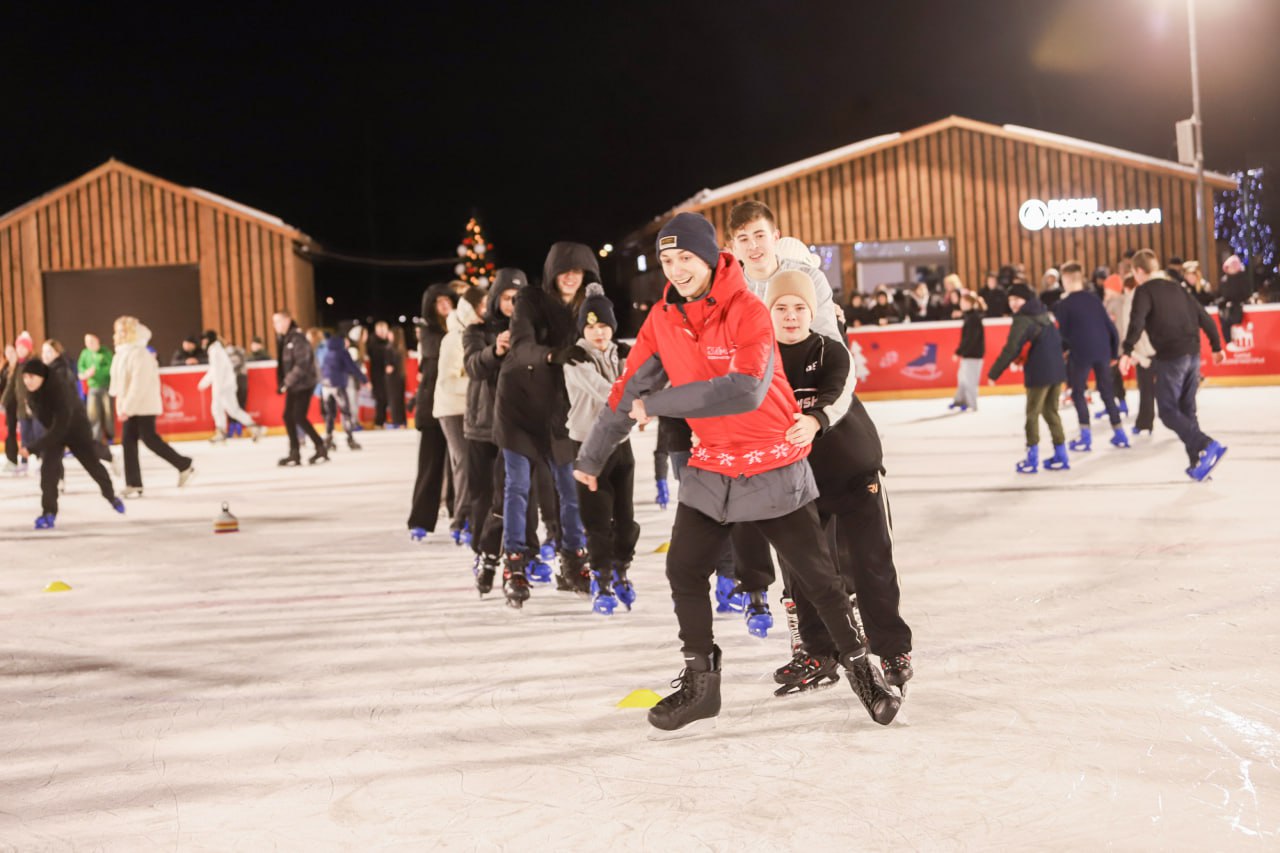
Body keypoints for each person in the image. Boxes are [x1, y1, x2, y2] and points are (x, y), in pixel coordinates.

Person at [575, 212, 897, 733]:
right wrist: (592, 456)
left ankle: (863, 673)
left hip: (771, 462)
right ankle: (702, 682)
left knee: (819, 579)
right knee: (683, 570)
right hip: (714, 463)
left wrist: (660, 404)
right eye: (667, 260)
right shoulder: (663, 319)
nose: (677, 269)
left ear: (708, 257)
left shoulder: (748, 308)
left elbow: (746, 388)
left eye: (686, 257)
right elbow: (628, 389)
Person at [764, 270, 914, 693]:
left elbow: (834, 393)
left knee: (872, 563)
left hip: (853, 472)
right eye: (781, 308)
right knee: (806, 572)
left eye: (799, 308)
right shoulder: (759, 359)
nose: (790, 316)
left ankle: (892, 649)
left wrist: (814, 419)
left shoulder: (831, 350)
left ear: (811, 311)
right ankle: (819, 651)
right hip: (798, 480)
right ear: (768, 312)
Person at [493, 242, 596, 605]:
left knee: (570, 488)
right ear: (552, 272)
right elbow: (521, 346)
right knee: (518, 486)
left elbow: (600, 340)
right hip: (519, 408)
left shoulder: (587, 306)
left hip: (559, 411)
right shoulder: (530, 300)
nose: (570, 277)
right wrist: (553, 354)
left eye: (577, 271)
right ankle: (515, 564)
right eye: (564, 270)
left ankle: (573, 560)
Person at [564, 282, 639, 615]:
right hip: (587, 445)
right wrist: (640, 403)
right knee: (597, 519)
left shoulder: (621, 353)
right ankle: (602, 578)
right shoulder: (575, 358)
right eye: (591, 326)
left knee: (625, 519)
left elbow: (641, 380)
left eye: (604, 325)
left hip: (620, 445)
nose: (598, 333)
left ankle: (621, 566)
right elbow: (607, 392)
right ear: (583, 329)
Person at [463, 269, 539, 593]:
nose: (513, 304)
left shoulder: (532, 330)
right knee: (486, 497)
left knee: (521, 492)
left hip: (519, 426)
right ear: (496, 299)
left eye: (519, 299)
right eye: (508, 298)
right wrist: (495, 350)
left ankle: (525, 553)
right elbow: (472, 366)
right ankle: (485, 554)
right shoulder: (477, 331)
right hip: (484, 427)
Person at [1121, 249, 1227, 480]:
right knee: (1187, 410)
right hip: (1193, 355)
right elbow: (1204, 316)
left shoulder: (1144, 290)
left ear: (1138, 271)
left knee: (1168, 411)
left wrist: (1127, 350)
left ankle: (1206, 444)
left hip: (1171, 357)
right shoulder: (1178, 288)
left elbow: (1137, 321)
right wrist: (1217, 346)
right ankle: (1198, 462)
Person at [19, 361, 124, 529]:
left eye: (31, 377)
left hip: (76, 431)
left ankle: (111, 496)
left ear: (41, 376)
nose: (27, 381)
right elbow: (48, 425)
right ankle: (49, 512)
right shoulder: (32, 395)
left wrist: (33, 447)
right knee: (48, 472)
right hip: (55, 432)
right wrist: (41, 445)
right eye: (25, 377)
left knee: (92, 466)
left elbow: (61, 425)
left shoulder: (59, 390)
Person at [728, 200, 842, 341]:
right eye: (743, 239)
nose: (753, 246)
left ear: (775, 237)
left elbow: (829, 340)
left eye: (760, 236)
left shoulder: (809, 278)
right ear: (734, 247)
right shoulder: (728, 291)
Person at [109, 315, 196, 497]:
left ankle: (183, 464)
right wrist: (123, 406)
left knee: (149, 440)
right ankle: (134, 483)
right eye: (118, 331)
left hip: (143, 406)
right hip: (132, 406)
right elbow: (121, 384)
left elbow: (138, 385)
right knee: (129, 442)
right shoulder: (123, 352)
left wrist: (127, 407)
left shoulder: (139, 354)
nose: (119, 334)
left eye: (123, 331)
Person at [987, 283, 1070, 474]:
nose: (1013, 303)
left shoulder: (1022, 319)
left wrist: (994, 373)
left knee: (1032, 414)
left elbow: (1011, 348)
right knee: (1051, 412)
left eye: (1017, 299)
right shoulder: (1044, 314)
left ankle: (1032, 459)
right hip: (1057, 371)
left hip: (1039, 373)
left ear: (1026, 300)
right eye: (1011, 300)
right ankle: (1061, 454)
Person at [1051, 262, 1129, 451]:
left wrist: (1063, 352)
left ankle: (1085, 436)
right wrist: (1113, 353)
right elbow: (1111, 328)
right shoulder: (1094, 299)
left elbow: (1063, 334)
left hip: (1080, 353)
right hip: (1102, 351)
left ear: (1066, 280)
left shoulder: (1063, 305)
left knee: (1078, 393)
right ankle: (1120, 432)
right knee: (1106, 391)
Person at [406, 284, 456, 540]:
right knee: (430, 465)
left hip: (458, 406)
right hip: (432, 408)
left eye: (448, 300)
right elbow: (438, 353)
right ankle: (421, 520)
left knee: (460, 467)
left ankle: (461, 517)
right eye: (439, 302)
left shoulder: (463, 328)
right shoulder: (428, 332)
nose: (444, 305)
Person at [436, 287, 483, 544]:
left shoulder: (482, 334)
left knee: (473, 463)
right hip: (452, 409)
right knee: (464, 461)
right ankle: (462, 517)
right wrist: (479, 384)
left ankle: (471, 515)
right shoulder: (453, 339)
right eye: (481, 306)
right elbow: (447, 381)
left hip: (474, 408)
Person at [272, 310, 327, 466]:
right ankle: (295, 452)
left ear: (287, 320)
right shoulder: (285, 338)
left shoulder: (297, 338)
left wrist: (286, 382)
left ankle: (320, 447)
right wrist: (284, 382)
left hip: (304, 383)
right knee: (288, 416)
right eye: (274, 322)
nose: (275, 325)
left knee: (298, 416)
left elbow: (302, 364)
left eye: (278, 321)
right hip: (295, 384)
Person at [199, 330, 264, 443]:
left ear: (208, 340)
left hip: (223, 386)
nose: (202, 342)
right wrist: (206, 382)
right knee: (229, 409)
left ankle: (222, 432)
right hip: (225, 385)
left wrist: (209, 384)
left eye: (204, 340)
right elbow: (215, 370)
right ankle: (254, 428)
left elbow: (217, 371)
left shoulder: (215, 351)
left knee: (221, 409)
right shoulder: (216, 349)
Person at [1116, 273, 1156, 436]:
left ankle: (1144, 422)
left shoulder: (1130, 301)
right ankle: (1145, 422)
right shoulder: (1150, 297)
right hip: (1157, 348)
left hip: (1143, 351)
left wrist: (1130, 351)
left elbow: (1129, 329)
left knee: (1146, 389)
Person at [318, 328, 365, 451]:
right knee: (345, 412)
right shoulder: (342, 352)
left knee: (330, 414)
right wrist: (364, 379)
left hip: (325, 387)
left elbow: (322, 369)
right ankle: (350, 438)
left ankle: (329, 438)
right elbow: (352, 367)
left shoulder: (328, 351)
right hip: (337, 385)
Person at [2, 334, 35, 473]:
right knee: (25, 435)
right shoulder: (17, 366)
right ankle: (24, 461)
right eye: (18, 348)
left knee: (38, 434)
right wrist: (3, 402)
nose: (20, 350)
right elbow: (10, 386)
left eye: (23, 348)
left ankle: (41, 459)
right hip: (21, 408)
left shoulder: (33, 363)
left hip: (34, 406)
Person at [950, 290, 986, 412]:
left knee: (970, 380)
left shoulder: (974, 318)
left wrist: (959, 351)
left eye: (963, 302)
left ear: (969, 303)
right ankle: (961, 401)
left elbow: (970, 338)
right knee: (962, 378)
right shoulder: (969, 317)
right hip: (969, 354)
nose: (961, 304)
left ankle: (972, 404)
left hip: (973, 355)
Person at [78, 333, 114, 446]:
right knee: (93, 413)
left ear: (97, 341)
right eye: (87, 342)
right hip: (92, 388)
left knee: (108, 413)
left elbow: (111, 367)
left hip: (106, 386)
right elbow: (80, 367)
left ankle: (110, 437)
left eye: (91, 342)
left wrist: (97, 372)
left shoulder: (105, 352)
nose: (89, 344)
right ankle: (96, 438)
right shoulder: (85, 353)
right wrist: (86, 373)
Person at [1218, 255, 1254, 345]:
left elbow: (1247, 293)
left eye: (1234, 266)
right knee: (1225, 320)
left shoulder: (1243, 278)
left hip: (1239, 305)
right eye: (1230, 267)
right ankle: (1229, 341)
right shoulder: (1224, 280)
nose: (1232, 269)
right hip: (1227, 308)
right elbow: (1221, 294)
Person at [367, 321, 390, 427]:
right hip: (377, 374)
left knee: (385, 398)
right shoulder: (373, 341)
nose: (382, 332)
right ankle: (379, 421)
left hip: (385, 375)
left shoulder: (387, 341)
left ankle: (383, 420)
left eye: (383, 330)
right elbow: (377, 355)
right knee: (380, 398)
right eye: (380, 330)